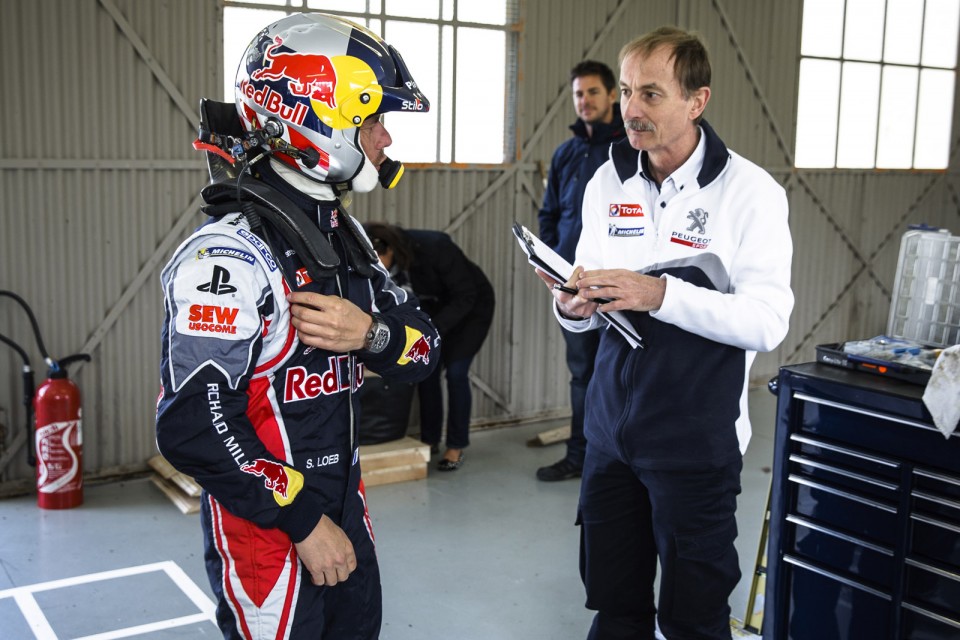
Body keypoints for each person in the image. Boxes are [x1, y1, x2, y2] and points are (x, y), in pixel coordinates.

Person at [155, 13, 440, 640]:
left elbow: (425, 352)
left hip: (345, 506)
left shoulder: (347, 235)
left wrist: (372, 335)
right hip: (271, 529)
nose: (385, 140)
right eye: (373, 121)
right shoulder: (227, 257)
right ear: (318, 117)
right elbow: (192, 425)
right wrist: (305, 523)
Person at [538, 26, 794, 639]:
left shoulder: (750, 194)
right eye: (626, 91)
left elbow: (768, 321)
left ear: (696, 101)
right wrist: (572, 306)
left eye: (651, 94)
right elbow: (591, 292)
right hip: (610, 438)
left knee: (693, 618)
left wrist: (661, 294)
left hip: (693, 446)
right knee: (615, 606)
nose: (630, 109)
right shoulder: (608, 180)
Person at [536, 60, 625, 482]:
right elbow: (549, 213)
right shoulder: (565, 153)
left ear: (611, 95)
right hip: (575, 289)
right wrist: (556, 266)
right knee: (581, 376)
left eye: (592, 92)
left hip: (619, 285)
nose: (584, 101)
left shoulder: (628, 149)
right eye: (578, 94)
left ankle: (616, 458)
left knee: (620, 372)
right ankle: (580, 457)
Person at [363, 222, 495, 471]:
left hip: (472, 310)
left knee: (456, 373)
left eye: (379, 260)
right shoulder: (391, 261)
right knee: (426, 371)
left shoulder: (435, 247)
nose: (378, 268)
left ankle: (455, 446)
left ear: (389, 249)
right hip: (435, 313)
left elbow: (466, 294)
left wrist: (433, 330)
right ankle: (430, 439)